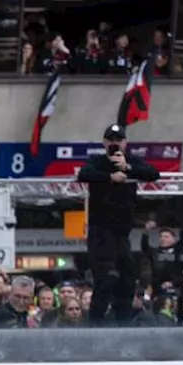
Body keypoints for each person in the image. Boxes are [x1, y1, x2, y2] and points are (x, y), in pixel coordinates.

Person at [77, 124, 160, 324]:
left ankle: (122, 323)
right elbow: (83, 174)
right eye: (111, 140)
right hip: (100, 230)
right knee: (106, 278)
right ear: (105, 142)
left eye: (118, 140)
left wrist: (127, 168)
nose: (114, 143)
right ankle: (96, 324)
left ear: (125, 142)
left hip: (122, 232)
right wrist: (109, 177)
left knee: (127, 279)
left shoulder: (131, 161)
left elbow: (153, 173)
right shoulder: (97, 161)